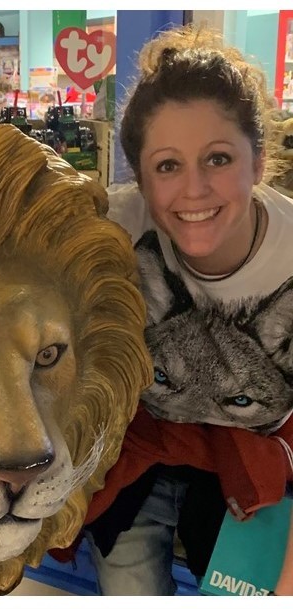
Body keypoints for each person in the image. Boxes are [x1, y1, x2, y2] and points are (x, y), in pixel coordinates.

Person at [78, 25, 293, 595]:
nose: (194, 190)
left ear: (259, 160)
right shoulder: (110, 230)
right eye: (168, 166)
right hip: (139, 456)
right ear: (141, 178)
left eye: (218, 158)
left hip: (257, 472)